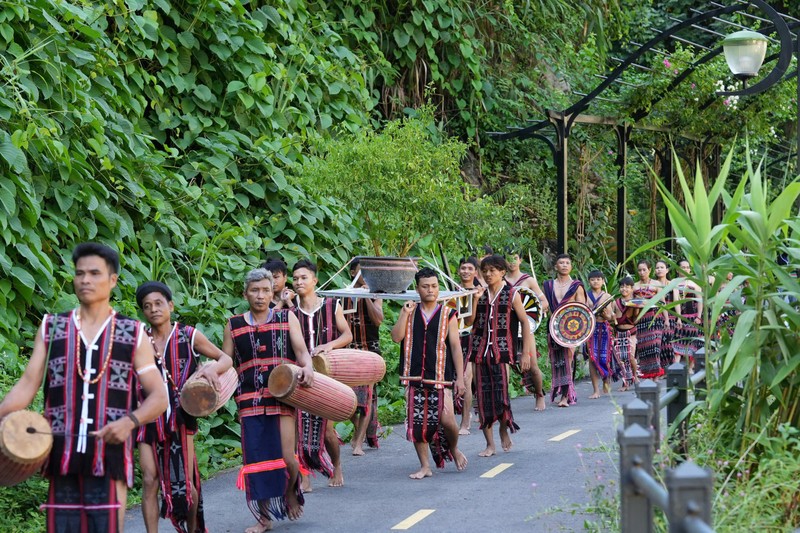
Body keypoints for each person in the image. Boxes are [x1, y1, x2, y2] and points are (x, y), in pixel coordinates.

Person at [0, 242, 169, 533]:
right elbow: (27, 385)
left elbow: (160, 396)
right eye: (80, 273)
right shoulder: (51, 327)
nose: (85, 280)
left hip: (110, 456)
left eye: (94, 273)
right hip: (60, 454)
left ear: (112, 280)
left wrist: (130, 422)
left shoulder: (133, 333)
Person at [135, 281, 233, 533]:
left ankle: (192, 529)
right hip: (147, 419)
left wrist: (210, 368)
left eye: (158, 303)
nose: (153, 309)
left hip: (181, 417)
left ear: (170, 305)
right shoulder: (139, 341)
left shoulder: (188, 335)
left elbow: (225, 358)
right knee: (149, 480)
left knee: (185, 484)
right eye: (147, 306)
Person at [221, 268, 314, 533]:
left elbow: (301, 352)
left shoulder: (287, 318)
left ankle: (290, 491)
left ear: (272, 291)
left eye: (265, 290)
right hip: (248, 399)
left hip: (282, 395)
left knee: (287, 458)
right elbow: (227, 362)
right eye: (255, 290)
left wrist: (307, 367)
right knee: (256, 461)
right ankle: (264, 518)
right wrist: (211, 372)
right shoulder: (234, 324)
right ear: (245, 293)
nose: (260, 296)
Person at [391, 267, 467, 478]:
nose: (430, 290)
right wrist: (404, 314)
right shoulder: (409, 310)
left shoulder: (448, 314)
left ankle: (453, 448)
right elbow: (396, 337)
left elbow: (455, 347)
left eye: (434, 286)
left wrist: (460, 378)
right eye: (425, 286)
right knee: (417, 423)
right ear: (417, 288)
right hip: (413, 375)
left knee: (447, 419)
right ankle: (425, 466)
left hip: (440, 375)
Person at [292, 259, 352, 489]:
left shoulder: (331, 305)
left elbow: (346, 335)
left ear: (315, 280)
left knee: (327, 430)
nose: (299, 282)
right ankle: (304, 475)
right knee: (298, 427)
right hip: (299, 375)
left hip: (326, 375)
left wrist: (330, 345)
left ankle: (336, 466)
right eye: (295, 278)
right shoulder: (289, 311)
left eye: (303, 277)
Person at [465, 255, 534, 456]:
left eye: (492, 271)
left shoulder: (512, 294)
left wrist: (525, 354)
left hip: (502, 352)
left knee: (501, 396)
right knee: (482, 397)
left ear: (502, 272)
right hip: (479, 352)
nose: (487, 274)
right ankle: (490, 444)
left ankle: (504, 429)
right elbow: (469, 322)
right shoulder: (479, 294)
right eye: (485, 271)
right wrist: (475, 300)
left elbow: (525, 323)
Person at [341, 258, 384, 455]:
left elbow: (378, 320)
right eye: (361, 271)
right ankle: (360, 429)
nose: (365, 275)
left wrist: (366, 296)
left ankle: (358, 443)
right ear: (352, 274)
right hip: (348, 352)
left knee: (366, 397)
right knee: (347, 399)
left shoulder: (376, 294)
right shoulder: (342, 296)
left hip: (370, 351)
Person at [542, 253, 587, 407]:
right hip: (553, 325)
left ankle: (565, 396)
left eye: (567, 263)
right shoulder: (548, 285)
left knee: (568, 357)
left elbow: (583, 309)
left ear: (571, 267)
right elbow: (544, 304)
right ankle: (564, 391)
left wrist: (579, 331)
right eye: (561, 263)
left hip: (571, 327)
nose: (564, 265)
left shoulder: (576, 286)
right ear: (556, 266)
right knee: (556, 360)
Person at [504, 250, 547, 411]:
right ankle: (504, 401)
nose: (512, 262)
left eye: (515, 258)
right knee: (505, 366)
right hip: (507, 329)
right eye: (508, 258)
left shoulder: (528, 280)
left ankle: (540, 395)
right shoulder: (500, 280)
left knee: (533, 365)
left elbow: (543, 301)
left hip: (526, 329)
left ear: (520, 260)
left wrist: (533, 311)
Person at [455, 256, 480, 434]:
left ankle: (465, 421)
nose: (466, 271)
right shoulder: (451, 291)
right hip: (452, 338)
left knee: (466, 378)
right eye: (463, 268)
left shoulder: (480, 292)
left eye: (470, 268)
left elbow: (471, 320)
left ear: (476, 272)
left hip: (470, 339)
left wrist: (475, 298)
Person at [633, 260, 667, 380]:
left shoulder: (656, 284)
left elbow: (663, 303)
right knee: (644, 348)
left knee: (655, 346)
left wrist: (666, 320)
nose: (642, 272)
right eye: (639, 270)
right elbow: (632, 304)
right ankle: (647, 374)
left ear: (649, 270)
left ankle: (656, 375)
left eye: (644, 270)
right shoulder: (635, 286)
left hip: (655, 318)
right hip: (641, 320)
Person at [585, 270, 615, 399]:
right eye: (592, 279)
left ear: (603, 281)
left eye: (598, 279)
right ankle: (595, 390)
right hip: (591, 329)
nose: (595, 281)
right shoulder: (586, 296)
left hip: (604, 327)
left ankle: (606, 382)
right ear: (589, 281)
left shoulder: (607, 296)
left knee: (605, 357)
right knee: (592, 357)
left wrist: (605, 315)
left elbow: (612, 317)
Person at [674, 259, 704, 368]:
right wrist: (679, 318)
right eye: (683, 267)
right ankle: (676, 366)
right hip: (682, 316)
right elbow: (676, 300)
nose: (686, 269)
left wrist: (699, 317)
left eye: (688, 267)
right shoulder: (675, 282)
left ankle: (690, 367)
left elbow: (700, 300)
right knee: (678, 341)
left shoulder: (695, 282)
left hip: (693, 316)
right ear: (678, 269)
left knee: (692, 342)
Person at [612, 277, 639, 391]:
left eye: (627, 287)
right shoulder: (615, 302)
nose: (624, 289)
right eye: (622, 287)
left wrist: (636, 309)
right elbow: (612, 318)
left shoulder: (635, 301)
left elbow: (636, 320)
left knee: (630, 357)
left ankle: (635, 376)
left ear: (632, 288)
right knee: (621, 359)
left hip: (631, 332)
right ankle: (625, 383)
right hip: (619, 333)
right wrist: (612, 317)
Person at [654, 260, 677, 370]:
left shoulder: (672, 284)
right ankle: (662, 369)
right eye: (657, 267)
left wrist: (679, 318)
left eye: (662, 267)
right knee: (659, 344)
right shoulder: (652, 284)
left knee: (668, 342)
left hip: (671, 317)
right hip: (656, 316)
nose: (659, 269)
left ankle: (671, 368)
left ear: (667, 270)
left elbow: (677, 301)